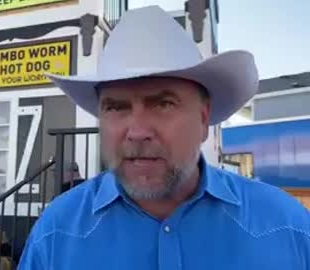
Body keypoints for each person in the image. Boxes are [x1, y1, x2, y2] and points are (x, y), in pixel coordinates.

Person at [18, 6, 310, 270]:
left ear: (204, 118)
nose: (137, 132)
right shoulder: (56, 233)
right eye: (116, 107)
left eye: (163, 104)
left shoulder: (286, 226)